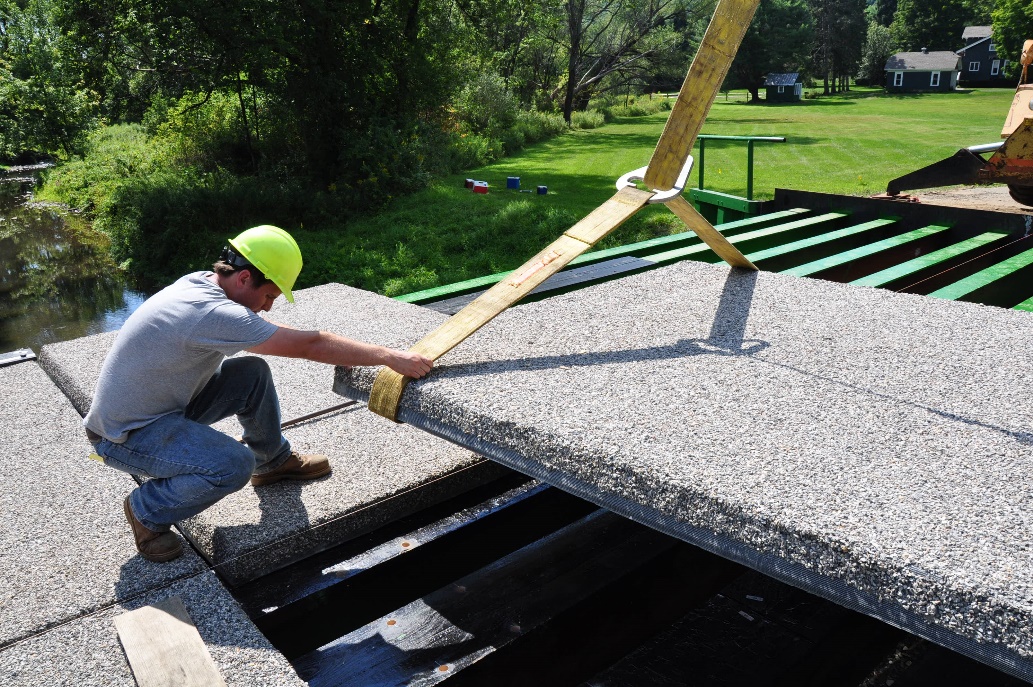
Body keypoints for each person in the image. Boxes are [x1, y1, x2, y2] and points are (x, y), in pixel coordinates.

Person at [84, 225, 432, 563]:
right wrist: (389, 356)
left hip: (162, 408)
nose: (267, 307)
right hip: (125, 435)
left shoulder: (200, 282)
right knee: (233, 465)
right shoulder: (213, 313)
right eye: (269, 296)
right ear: (245, 278)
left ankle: (272, 460)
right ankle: (146, 510)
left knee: (251, 374)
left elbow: (286, 337)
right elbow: (310, 344)